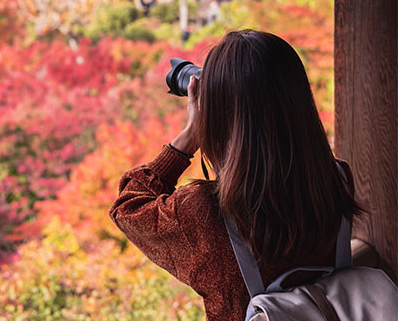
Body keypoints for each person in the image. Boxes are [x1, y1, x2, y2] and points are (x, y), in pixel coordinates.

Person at [109, 30, 362, 321]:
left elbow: (129, 205)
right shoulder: (337, 180)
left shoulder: (204, 211)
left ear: (220, 113)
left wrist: (191, 134)